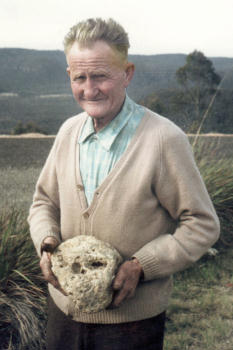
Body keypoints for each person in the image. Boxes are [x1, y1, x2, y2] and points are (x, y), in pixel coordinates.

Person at [28, 18, 220, 350]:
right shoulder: (67, 133)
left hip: (131, 327)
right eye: (80, 77)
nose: (90, 90)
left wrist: (141, 267)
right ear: (69, 77)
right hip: (63, 319)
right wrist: (47, 242)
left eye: (101, 75)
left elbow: (201, 224)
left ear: (127, 73)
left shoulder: (163, 139)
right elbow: (44, 202)